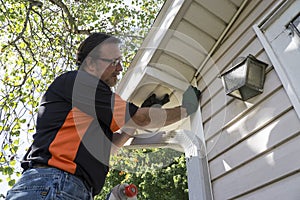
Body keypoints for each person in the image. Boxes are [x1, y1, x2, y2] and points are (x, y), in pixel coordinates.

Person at [6, 32, 201, 199]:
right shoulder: (81, 83)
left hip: (58, 186)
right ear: (91, 63)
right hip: (54, 184)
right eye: (114, 62)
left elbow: (108, 149)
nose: (120, 68)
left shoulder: (89, 109)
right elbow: (141, 118)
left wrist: (134, 120)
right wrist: (185, 109)